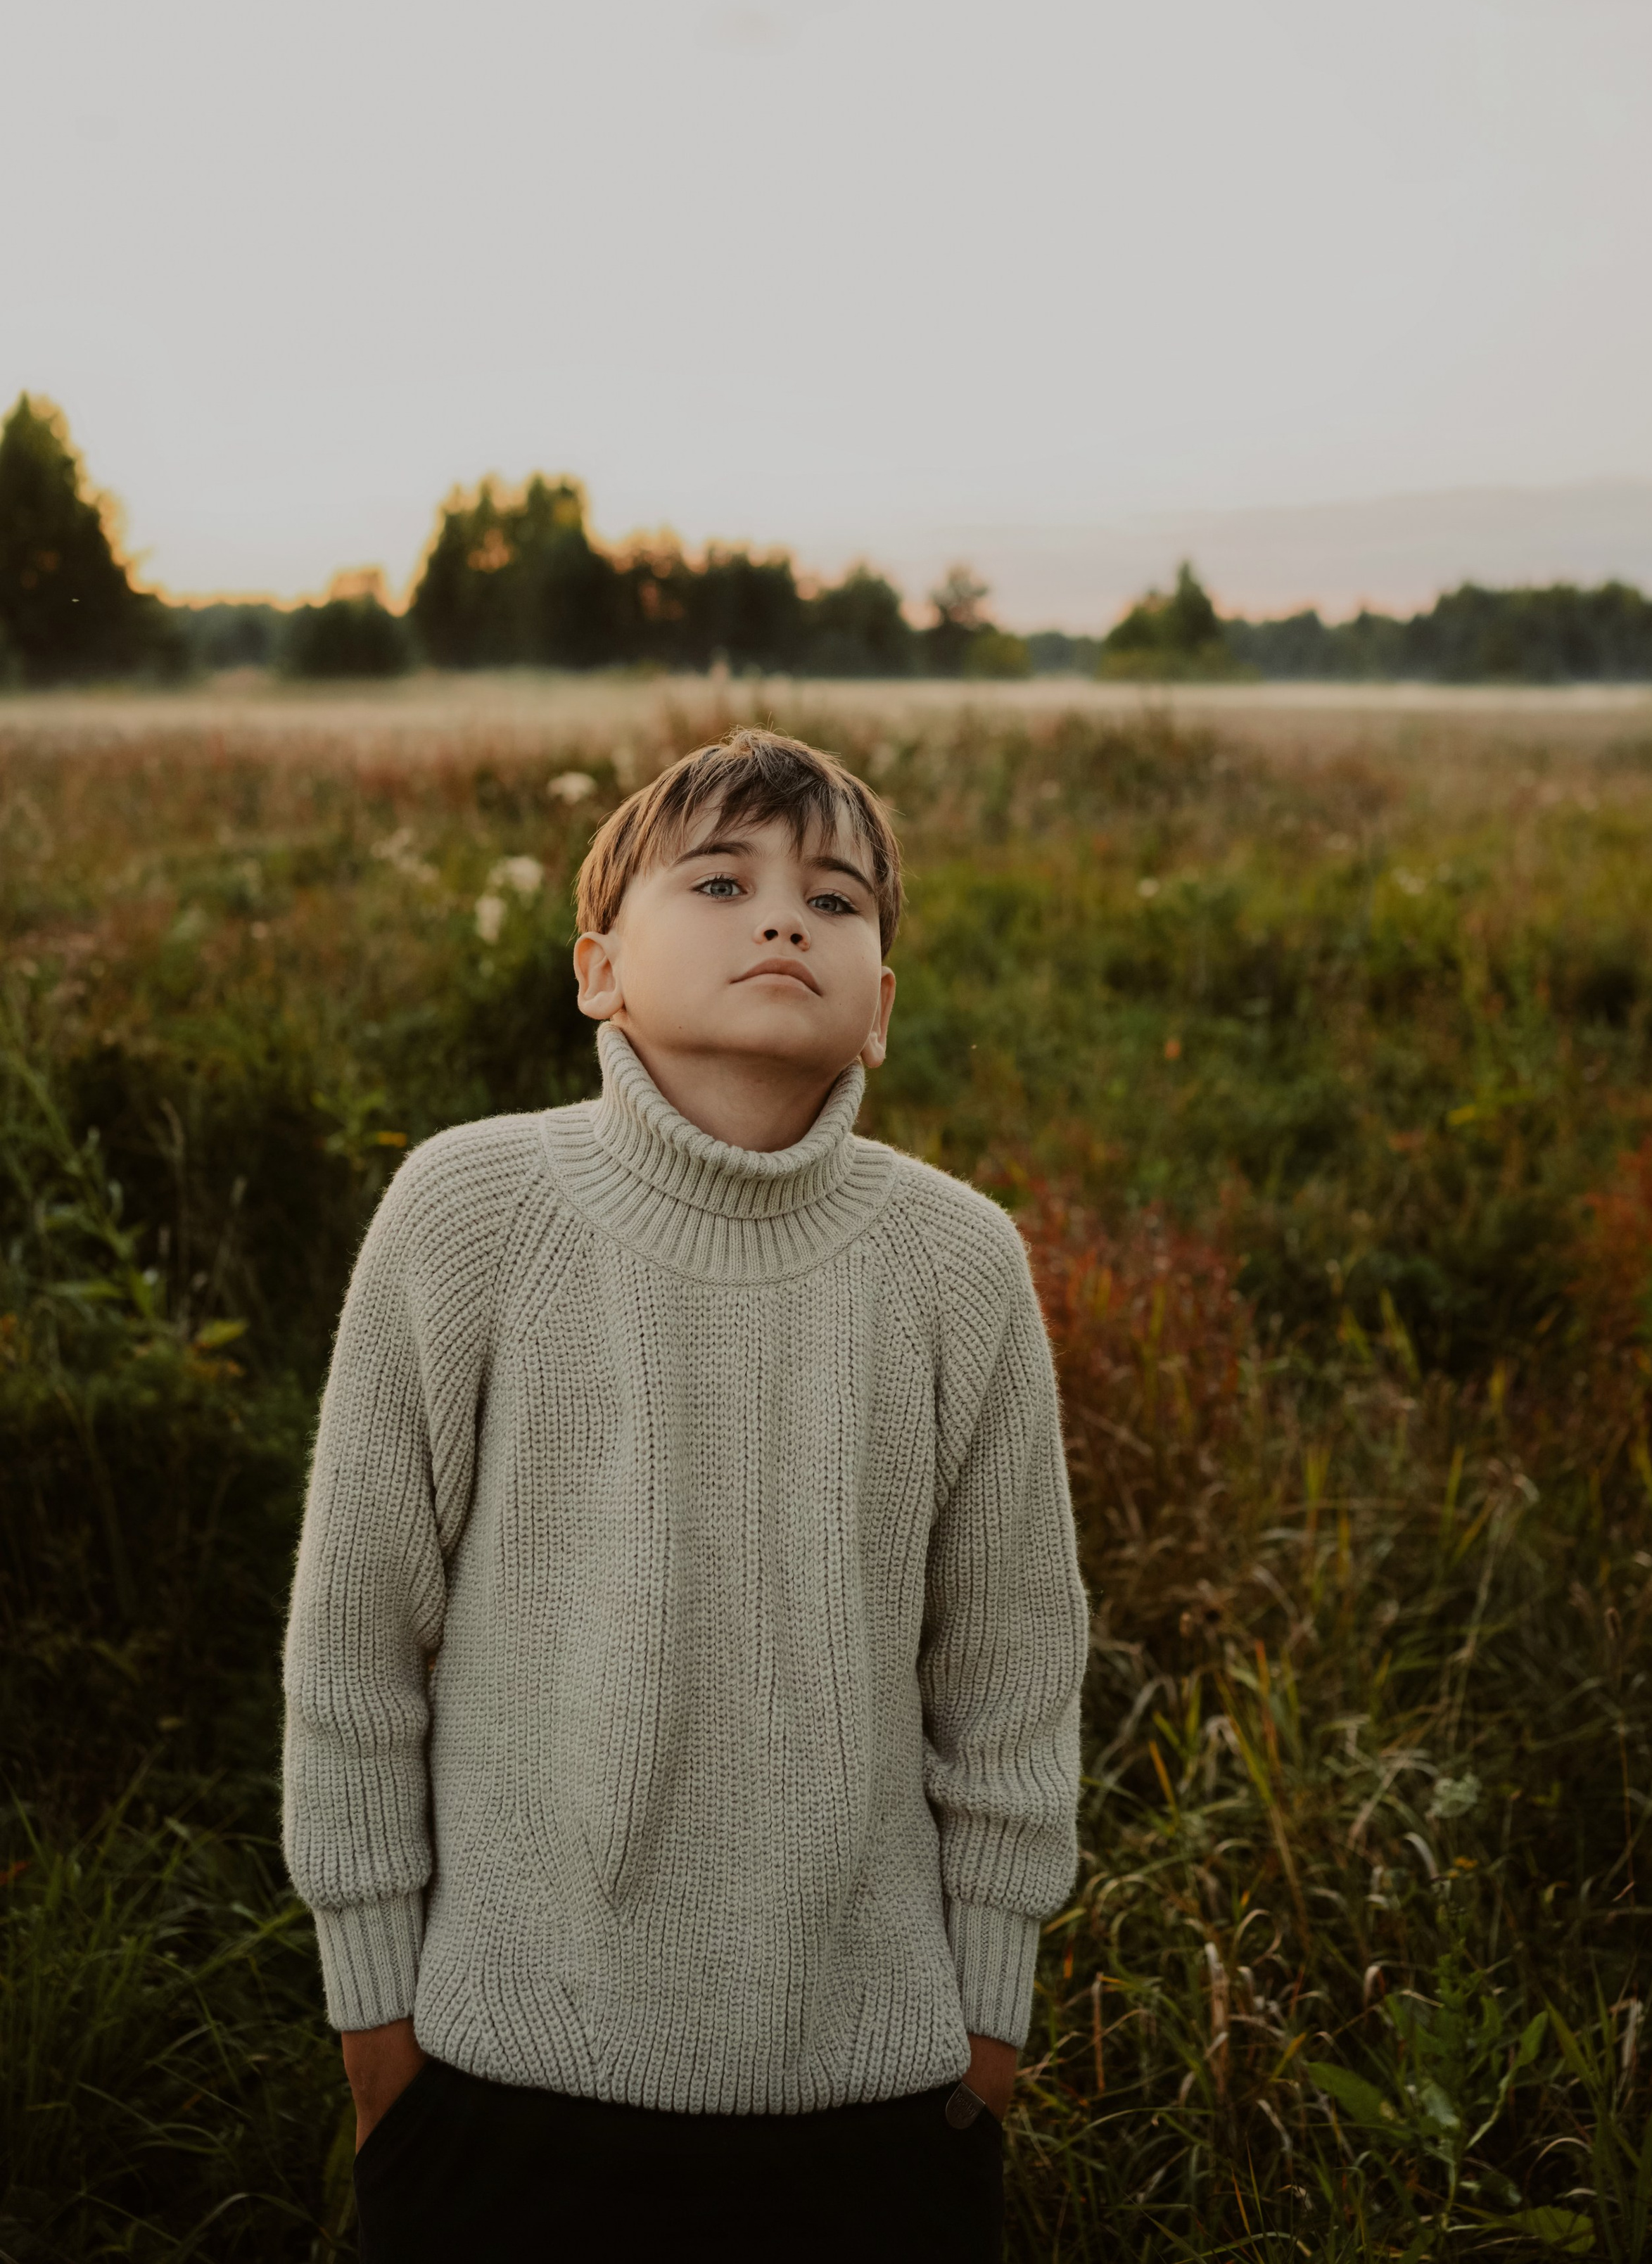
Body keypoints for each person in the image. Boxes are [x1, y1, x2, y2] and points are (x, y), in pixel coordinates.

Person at [282, 725, 1089, 2260]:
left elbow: (1010, 1665)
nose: (784, 917)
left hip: (876, 2111)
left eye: (836, 901)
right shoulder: (470, 1213)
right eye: (719, 880)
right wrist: (375, 2022)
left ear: (879, 1015)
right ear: (597, 968)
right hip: (497, 2083)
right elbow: (354, 1643)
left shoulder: (956, 1261)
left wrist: (985, 2025)